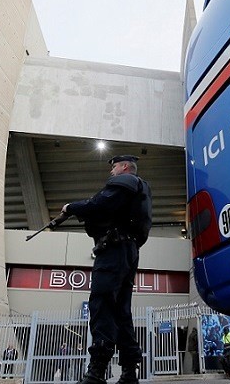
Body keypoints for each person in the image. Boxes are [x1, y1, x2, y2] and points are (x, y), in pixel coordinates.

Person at [61, 155, 152, 384]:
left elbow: (99, 204)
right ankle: (129, 372)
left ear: (124, 167)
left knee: (102, 305)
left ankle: (97, 372)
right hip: (128, 251)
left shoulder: (125, 182)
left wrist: (71, 208)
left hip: (113, 250)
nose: (111, 172)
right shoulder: (139, 190)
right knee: (121, 311)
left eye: (114, 167)